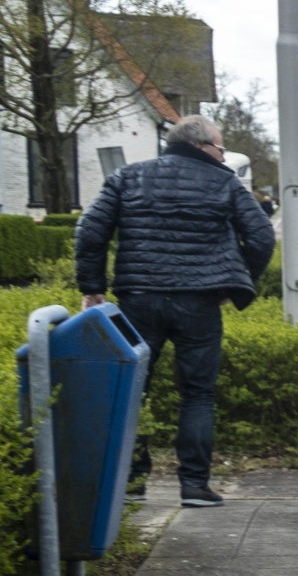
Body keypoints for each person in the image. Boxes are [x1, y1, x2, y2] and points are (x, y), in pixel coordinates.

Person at [75, 115, 276, 509]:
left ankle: (131, 481)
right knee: (197, 394)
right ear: (201, 146)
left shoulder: (128, 177)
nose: (222, 156)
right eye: (220, 148)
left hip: (138, 300)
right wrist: (234, 282)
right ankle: (195, 487)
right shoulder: (224, 183)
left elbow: (89, 231)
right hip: (199, 303)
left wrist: (92, 289)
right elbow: (261, 236)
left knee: (132, 391)